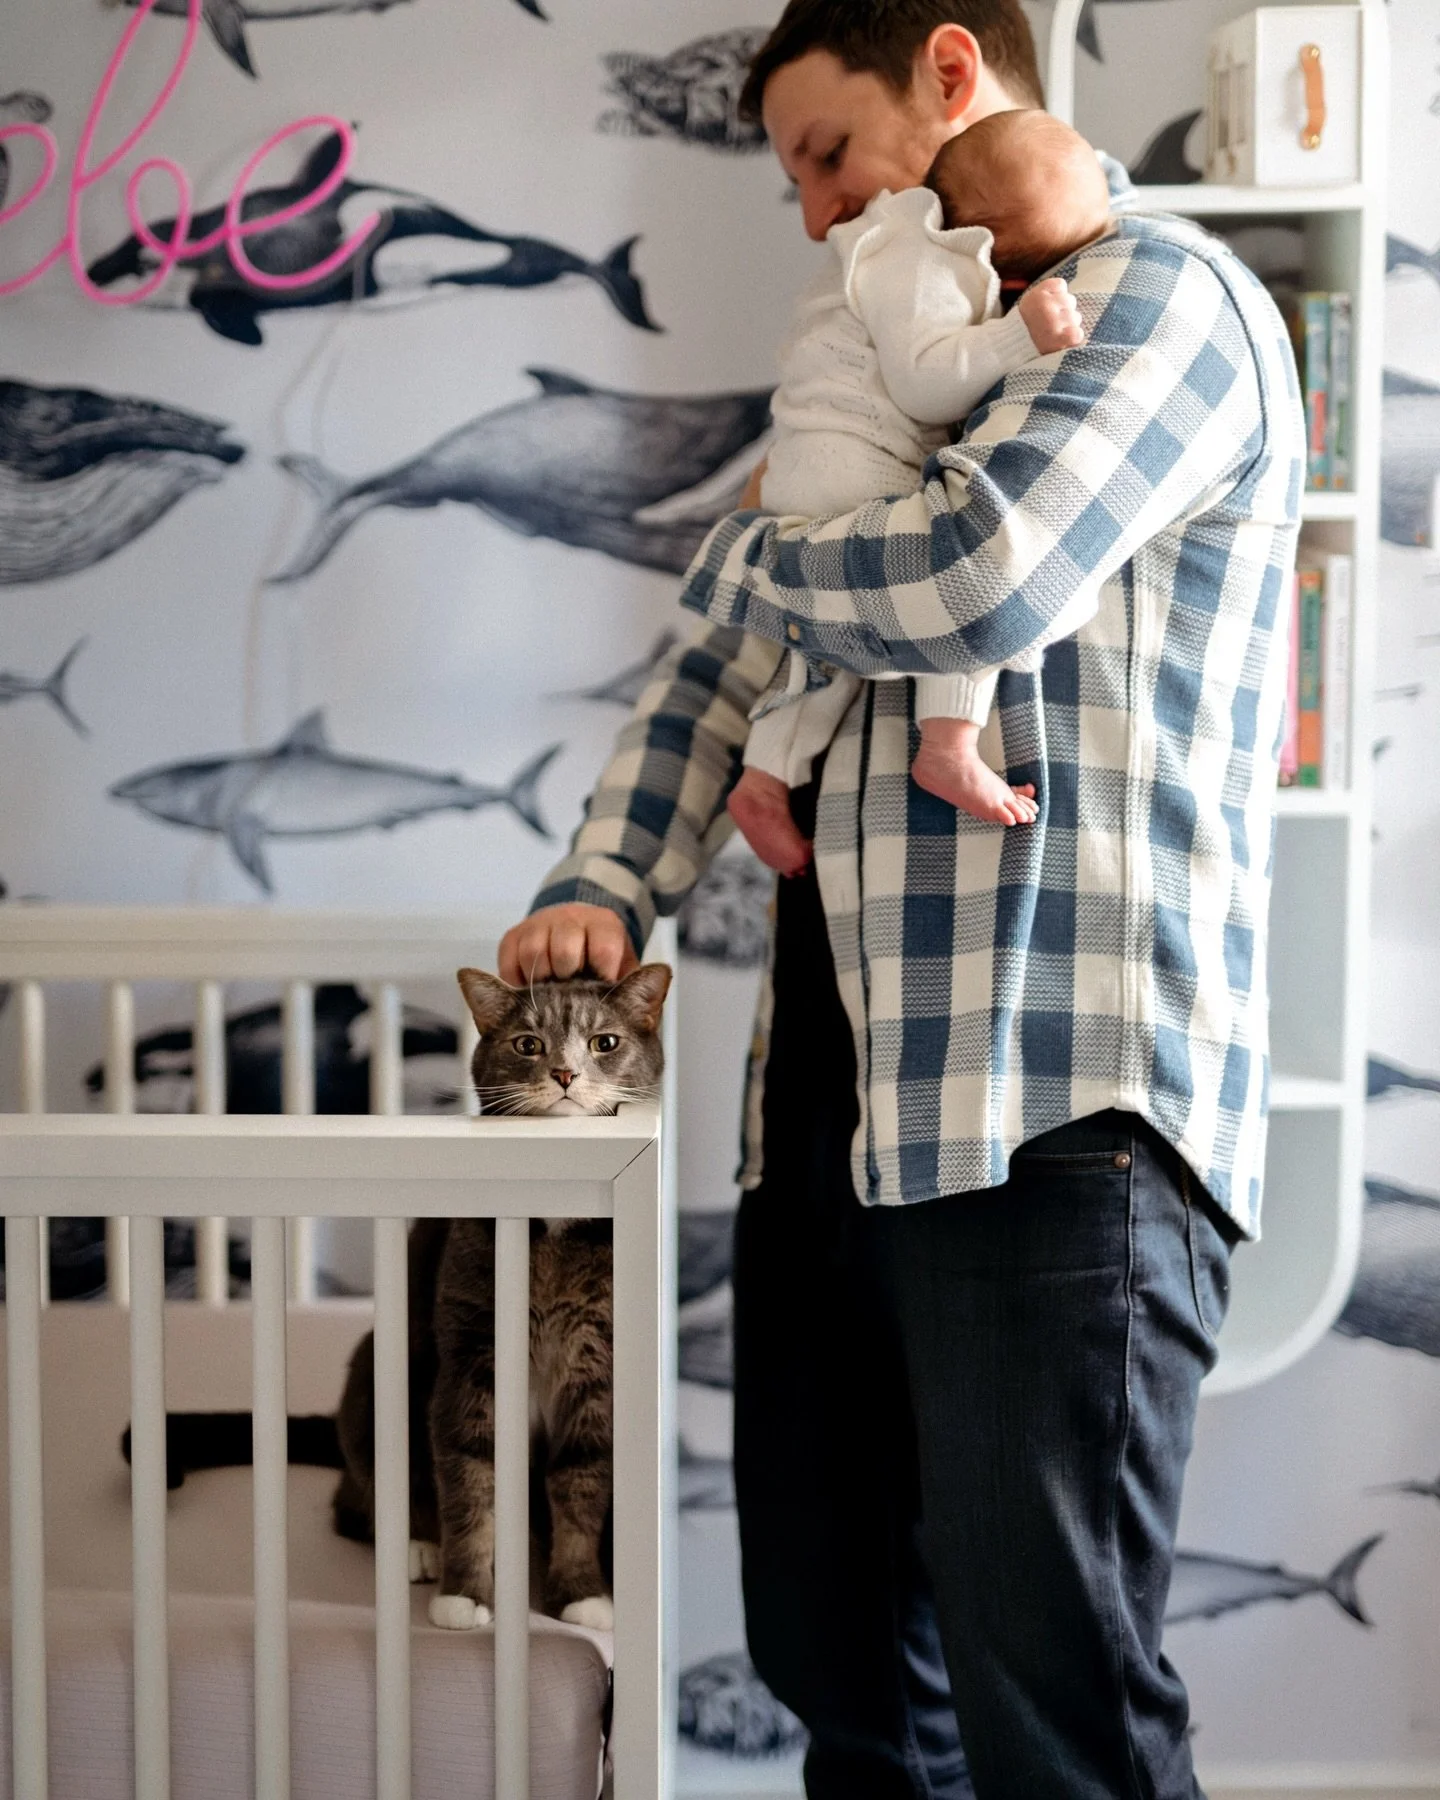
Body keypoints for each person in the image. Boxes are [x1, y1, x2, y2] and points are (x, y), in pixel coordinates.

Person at [501, 2, 1304, 1795]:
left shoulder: (1161, 298)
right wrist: (605, 883)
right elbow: (721, 663)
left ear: (951, 73)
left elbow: (972, 572)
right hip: (834, 1113)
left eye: (825, 155)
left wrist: (768, 542)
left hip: (1056, 1100)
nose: (807, 211)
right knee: (839, 1662)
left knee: (1056, 1704)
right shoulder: (865, 344)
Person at [732, 110, 1111, 879]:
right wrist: (1017, 337)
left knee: (824, 647)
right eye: (1023, 269)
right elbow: (924, 378)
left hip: (810, 472)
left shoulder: (902, 244)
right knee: (962, 576)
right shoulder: (924, 251)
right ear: (980, 238)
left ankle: (765, 774)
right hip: (854, 458)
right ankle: (947, 745)